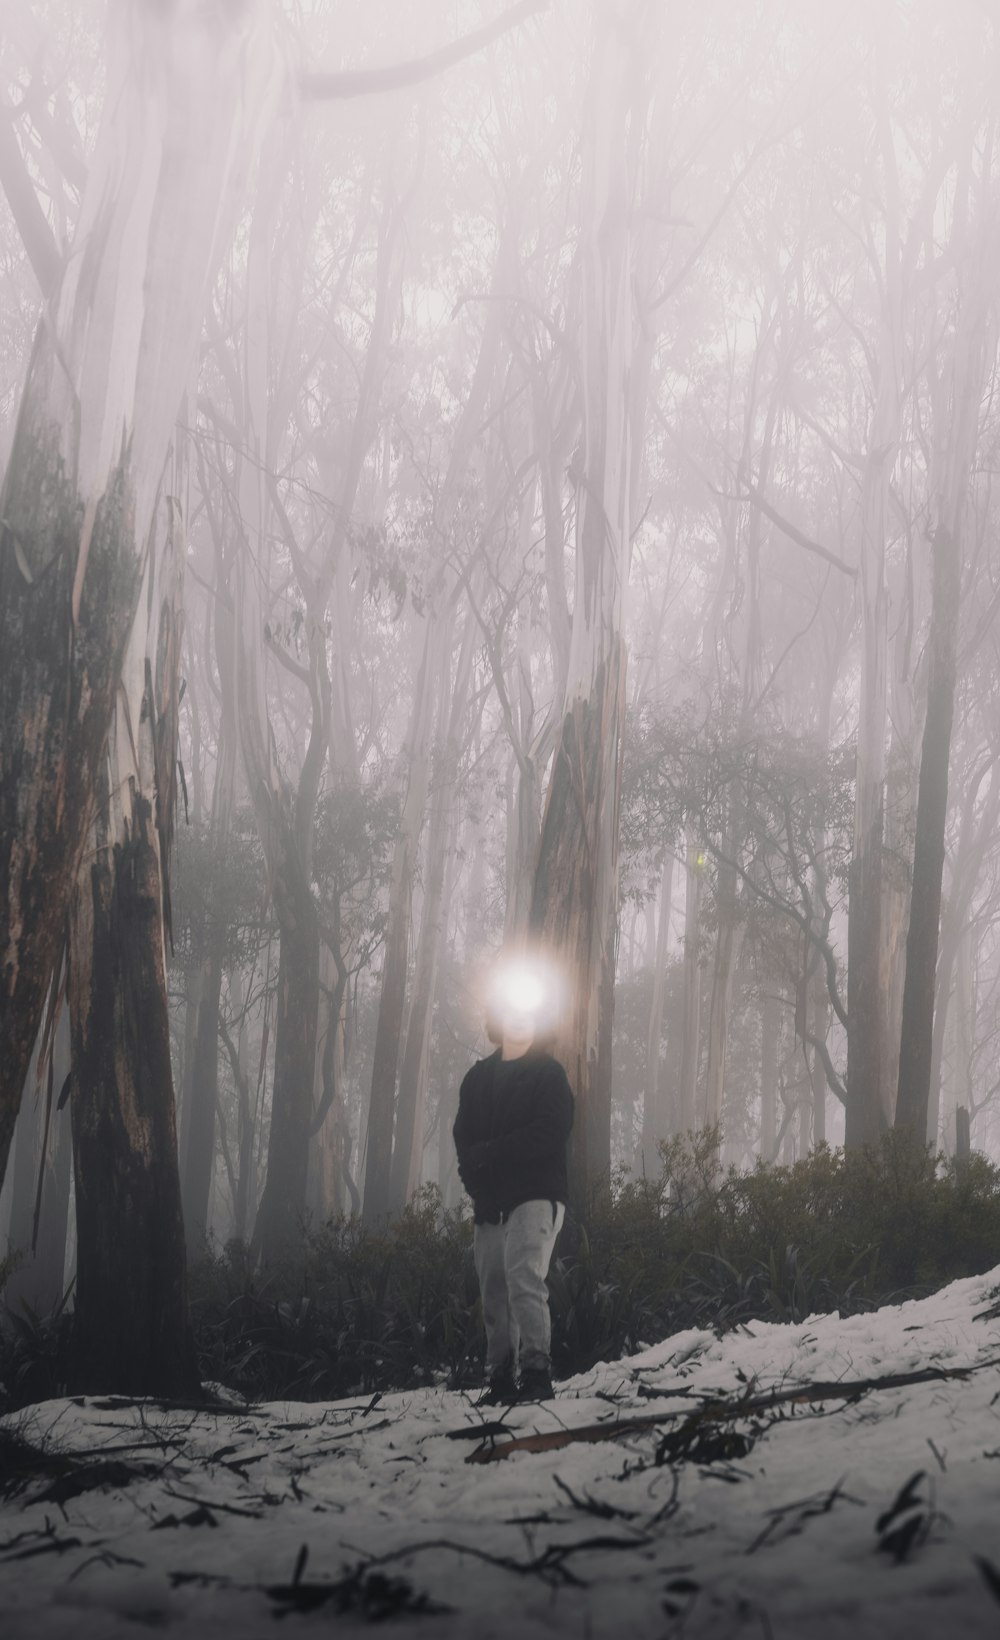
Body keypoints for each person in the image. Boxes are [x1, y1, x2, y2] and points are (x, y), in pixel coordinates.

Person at [453, 966, 574, 1404]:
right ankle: (500, 1378)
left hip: (537, 1195)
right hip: (490, 1201)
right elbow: (463, 1140)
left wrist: (493, 1151)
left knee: (524, 1276)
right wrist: (475, 1184)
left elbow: (551, 1131)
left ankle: (537, 1374)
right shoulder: (477, 1078)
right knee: (493, 1290)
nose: (520, 1018)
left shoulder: (549, 1074)